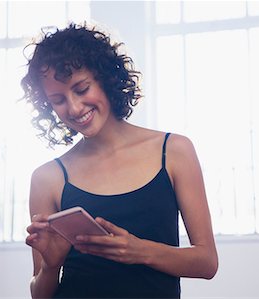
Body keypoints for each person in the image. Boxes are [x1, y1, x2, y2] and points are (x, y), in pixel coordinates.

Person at [22, 22, 218, 299]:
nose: (74, 108)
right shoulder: (47, 178)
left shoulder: (174, 151)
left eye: (81, 88)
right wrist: (52, 267)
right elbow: (39, 294)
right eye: (58, 99)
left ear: (104, 77)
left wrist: (139, 250)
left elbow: (207, 262)